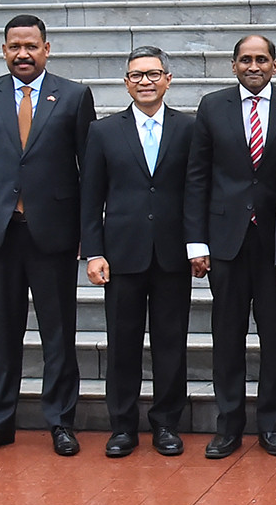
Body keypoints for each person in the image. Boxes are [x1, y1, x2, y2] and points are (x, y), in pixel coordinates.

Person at [0, 13, 98, 456]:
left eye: (31, 46)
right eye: (14, 46)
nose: (23, 54)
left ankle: (60, 422)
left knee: (58, 333)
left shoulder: (73, 96)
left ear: (46, 49)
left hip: (53, 234)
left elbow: (88, 172)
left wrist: (88, 237)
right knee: (5, 332)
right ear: (3, 51)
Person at [185, 34, 276, 459]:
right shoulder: (211, 106)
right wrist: (196, 243)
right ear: (233, 65)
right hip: (225, 242)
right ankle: (228, 426)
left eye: (261, 59)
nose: (253, 65)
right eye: (245, 59)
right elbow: (198, 177)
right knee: (227, 336)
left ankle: (273, 426)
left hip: (275, 241)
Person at [80, 48, 193, 458]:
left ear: (168, 79)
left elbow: (196, 192)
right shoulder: (104, 131)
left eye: (153, 74)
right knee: (122, 343)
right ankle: (122, 427)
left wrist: (197, 246)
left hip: (172, 254)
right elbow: (90, 197)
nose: (145, 82)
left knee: (170, 343)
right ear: (126, 83)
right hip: (121, 254)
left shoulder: (189, 128)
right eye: (136, 75)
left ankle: (166, 424)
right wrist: (93, 252)